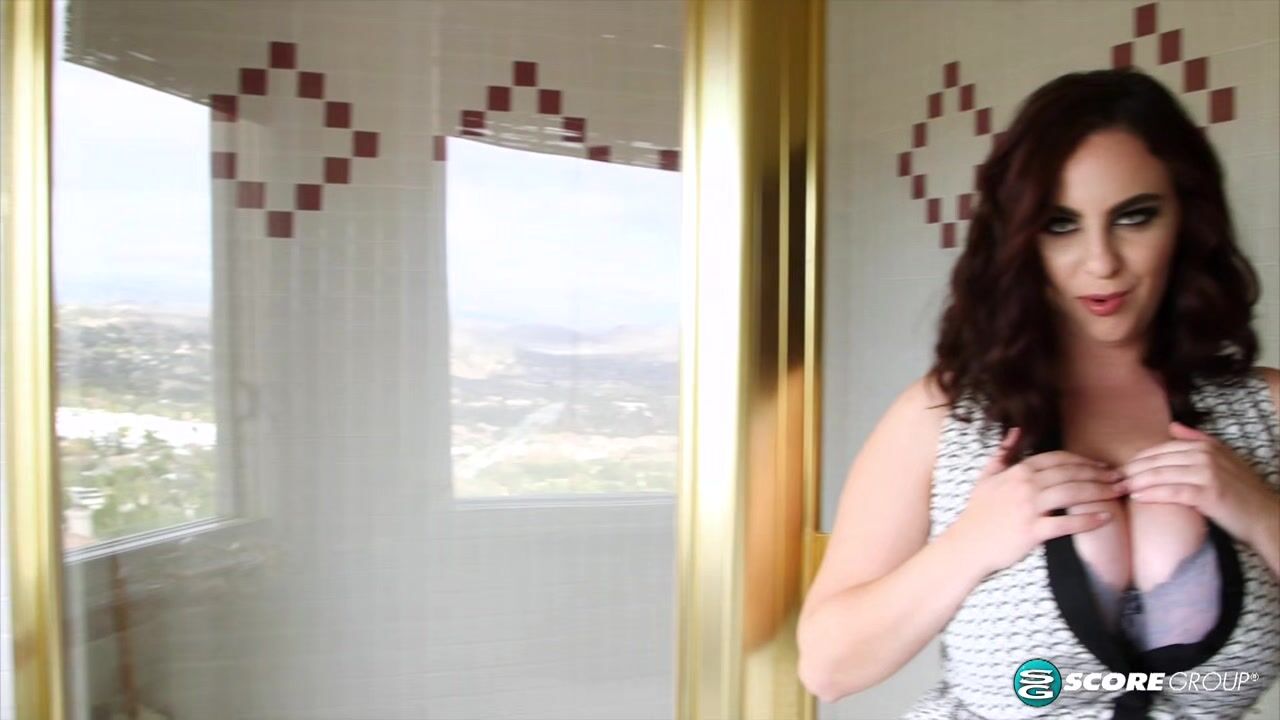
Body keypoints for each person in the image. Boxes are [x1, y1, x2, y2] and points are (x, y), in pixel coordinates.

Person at [796, 67, 1280, 719]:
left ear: (1186, 218)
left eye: (1135, 217)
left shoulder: (1264, 412)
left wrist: (1262, 514)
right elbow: (827, 668)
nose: (1101, 261)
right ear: (1020, 237)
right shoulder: (943, 418)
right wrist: (971, 544)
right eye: (1060, 224)